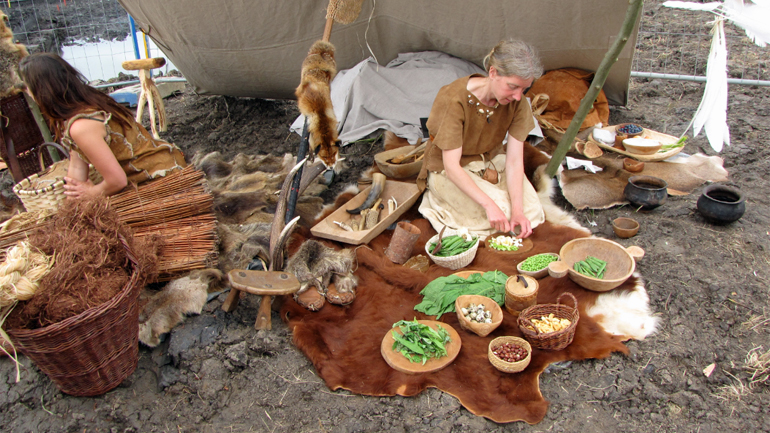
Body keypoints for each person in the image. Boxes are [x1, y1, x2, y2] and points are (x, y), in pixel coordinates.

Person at [417, 39, 545, 239]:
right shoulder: (454, 99)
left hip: (491, 162)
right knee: (498, 211)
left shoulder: (517, 102)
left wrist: (519, 211)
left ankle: (505, 208)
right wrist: (489, 205)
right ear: (493, 73)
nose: (518, 96)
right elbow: (451, 166)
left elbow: (513, 161)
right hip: (450, 170)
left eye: (524, 89)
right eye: (513, 86)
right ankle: (439, 199)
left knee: (529, 211)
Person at [19, 52, 187, 198]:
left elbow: (117, 181)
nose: (27, 92)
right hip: (163, 160)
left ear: (41, 90)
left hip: (158, 177)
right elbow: (77, 165)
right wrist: (72, 206)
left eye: (27, 87)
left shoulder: (81, 126)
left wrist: (91, 193)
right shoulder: (86, 103)